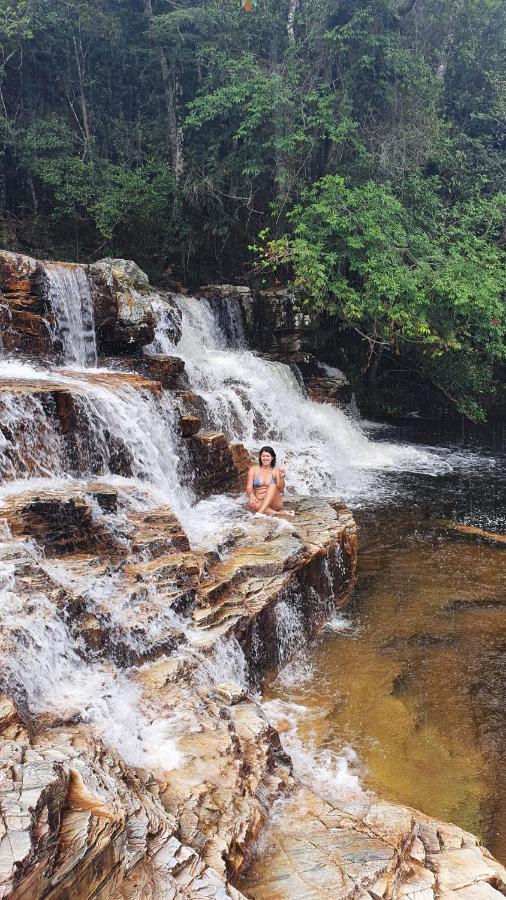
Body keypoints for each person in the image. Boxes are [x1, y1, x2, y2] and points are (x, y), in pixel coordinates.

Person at [246, 446, 295, 517]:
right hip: (259, 501)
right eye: (263, 456)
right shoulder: (253, 470)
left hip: (274, 503)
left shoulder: (276, 472)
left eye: (268, 456)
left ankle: (259, 513)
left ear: (272, 458)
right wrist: (252, 495)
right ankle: (278, 513)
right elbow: (248, 487)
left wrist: (281, 477)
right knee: (250, 504)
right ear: (260, 457)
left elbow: (281, 488)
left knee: (273, 485)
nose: (265, 458)